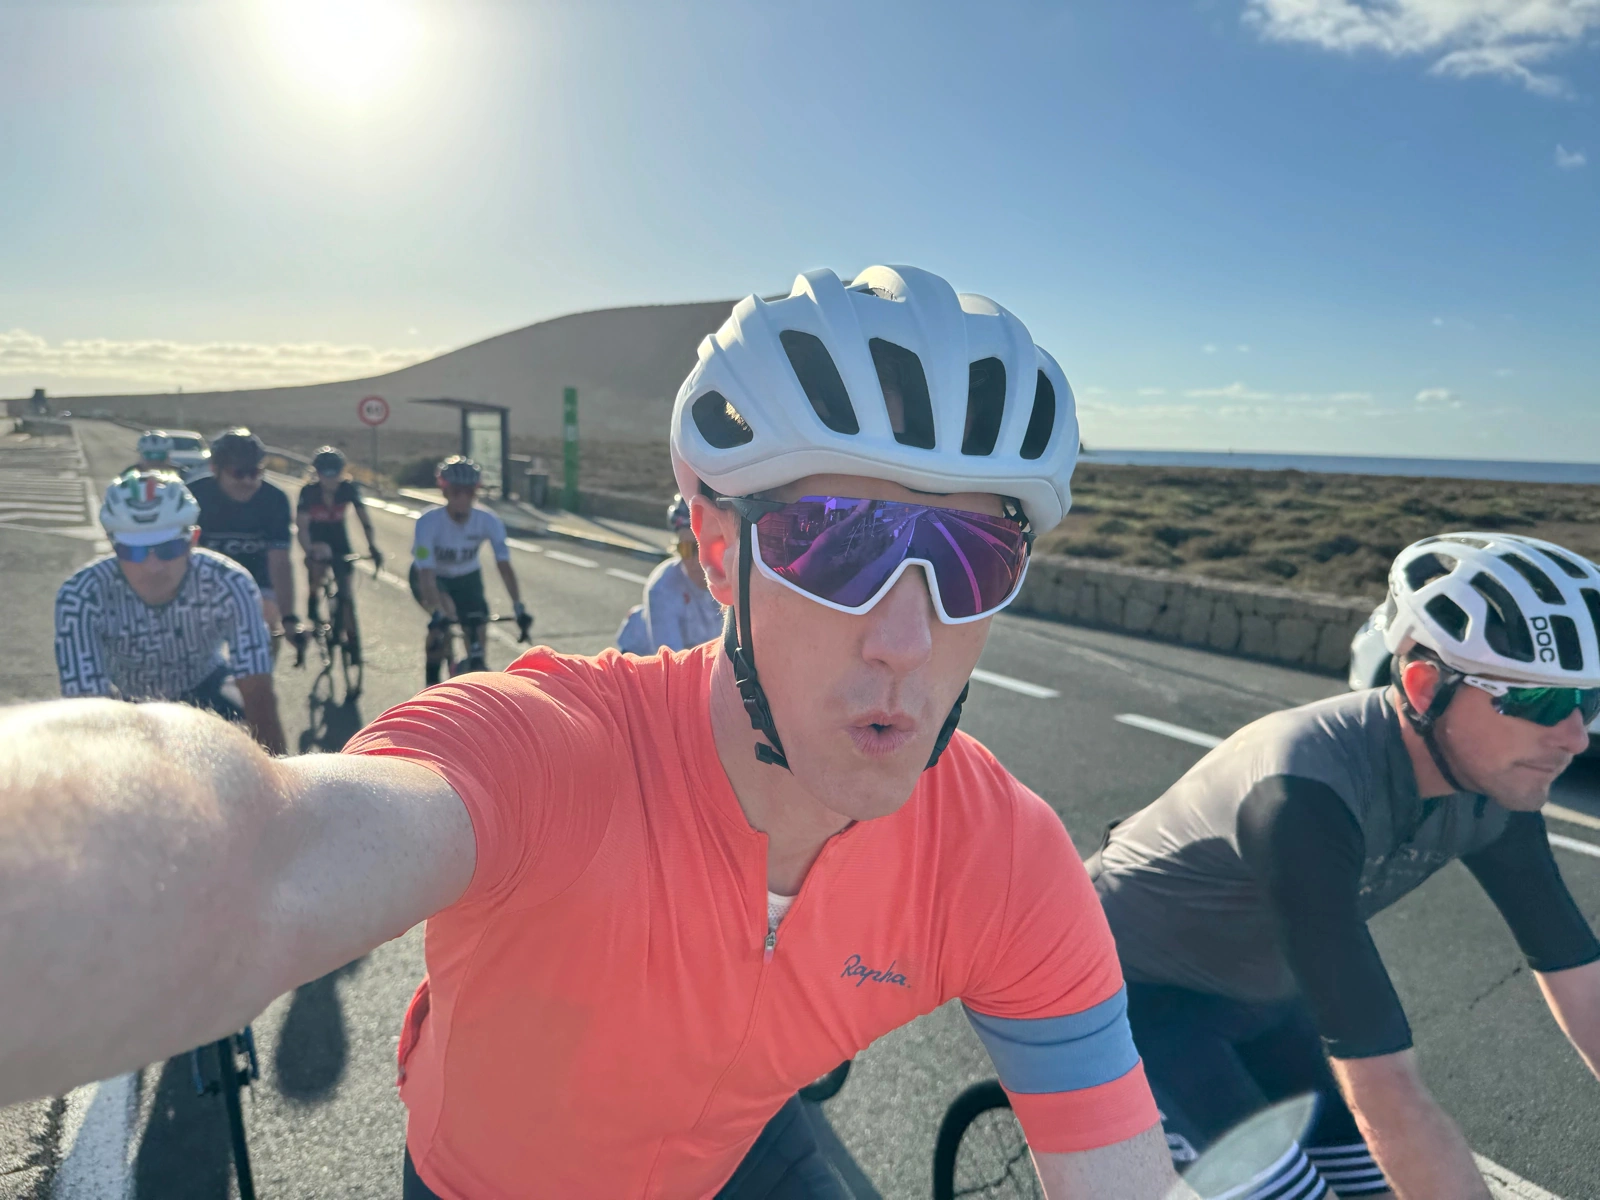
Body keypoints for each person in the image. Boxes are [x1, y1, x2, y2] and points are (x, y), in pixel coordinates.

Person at [0, 266, 1184, 1200]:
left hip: (730, 1156)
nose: (903, 640)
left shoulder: (1003, 858)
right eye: (838, 542)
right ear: (721, 553)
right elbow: (259, 852)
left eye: (975, 558)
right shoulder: (552, 751)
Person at [1090, 531, 1600, 1200]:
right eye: (1535, 701)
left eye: (1587, 700)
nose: (1575, 735)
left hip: (1262, 994)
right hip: (1122, 994)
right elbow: (1386, 1090)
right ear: (1423, 686)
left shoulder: (1497, 789)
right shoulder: (1302, 793)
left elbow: (1584, 990)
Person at [53, 471, 285, 755]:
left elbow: (257, 691)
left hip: (205, 687)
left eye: (169, 548)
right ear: (112, 544)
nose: (153, 566)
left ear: (193, 539)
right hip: (126, 701)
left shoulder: (230, 582)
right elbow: (87, 710)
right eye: (133, 552)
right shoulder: (81, 594)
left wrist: (278, 782)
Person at [409, 455, 532, 683]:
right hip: (432, 577)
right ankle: (431, 682)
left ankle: (472, 678)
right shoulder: (428, 522)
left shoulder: (487, 520)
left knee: (478, 633)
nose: (463, 499)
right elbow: (425, 572)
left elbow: (504, 565)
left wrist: (518, 606)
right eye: (456, 492)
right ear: (444, 492)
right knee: (444, 619)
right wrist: (437, 612)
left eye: (469, 492)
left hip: (467, 577)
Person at [189, 428, 300, 652]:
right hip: (205, 582)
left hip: (256, 580)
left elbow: (279, 562)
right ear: (214, 469)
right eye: (238, 473)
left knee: (267, 619)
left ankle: (263, 674)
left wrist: (288, 617)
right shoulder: (193, 497)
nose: (248, 481)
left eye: (255, 472)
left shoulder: (275, 500)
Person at [616, 493, 724, 654]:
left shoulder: (733, 578)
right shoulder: (663, 587)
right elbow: (673, 665)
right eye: (686, 549)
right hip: (641, 659)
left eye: (703, 548)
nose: (697, 560)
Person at [298, 446, 383, 633]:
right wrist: (309, 551)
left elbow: (364, 520)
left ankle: (350, 639)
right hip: (316, 539)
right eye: (325, 474)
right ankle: (313, 602)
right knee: (318, 574)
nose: (330, 479)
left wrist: (373, 546)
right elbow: (302, 528)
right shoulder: (309, 492)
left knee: (346, 589)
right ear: (317, 473)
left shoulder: (348, 489)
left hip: (339, 539)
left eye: (334, 473)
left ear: (341, 472)